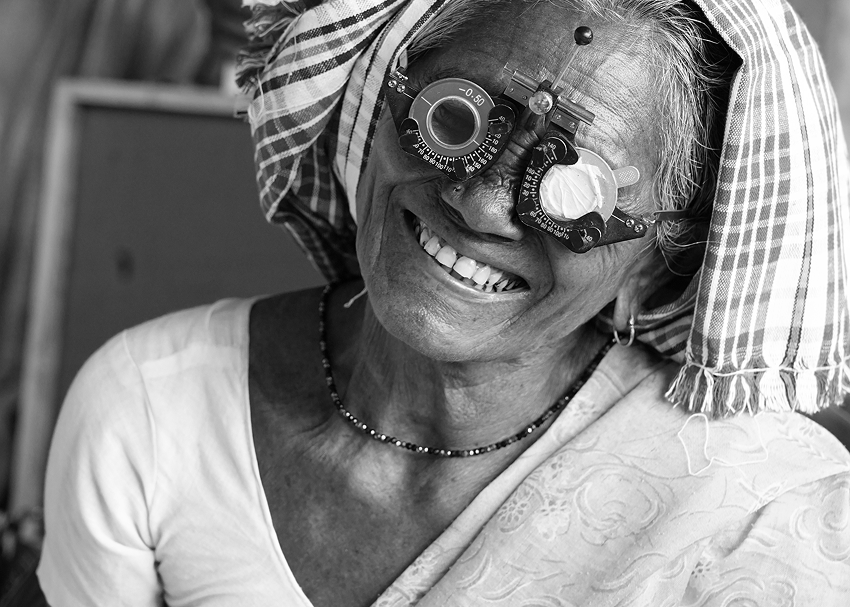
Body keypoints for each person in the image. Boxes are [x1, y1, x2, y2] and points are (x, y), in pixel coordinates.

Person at [36, 0, 850, 605]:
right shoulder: (151, 409)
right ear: (377, 108)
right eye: (456, 119)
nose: (483, 204)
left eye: (570, 194)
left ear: (657, 266)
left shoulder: (750, 513)